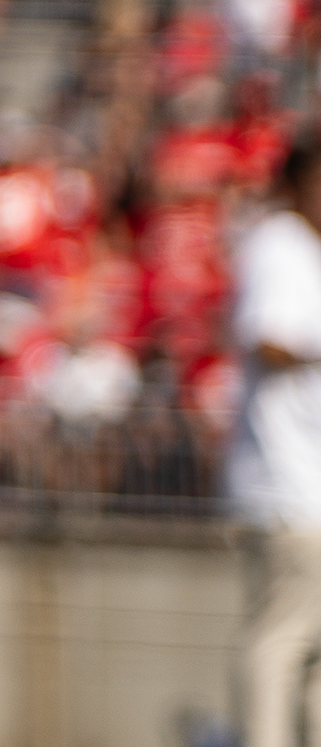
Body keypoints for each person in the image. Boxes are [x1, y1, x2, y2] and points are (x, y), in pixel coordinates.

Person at [235, 132, 321, 747]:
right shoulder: (280, 242)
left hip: (310, 481)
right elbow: (268, 337)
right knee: (281, 639)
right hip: (289, 482)